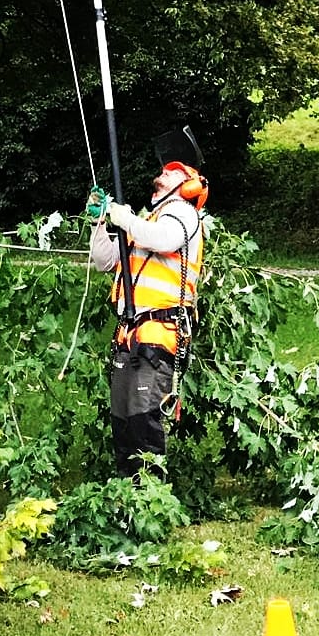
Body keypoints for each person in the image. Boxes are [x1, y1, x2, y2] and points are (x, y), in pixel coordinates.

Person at [89, 128, 208, 476]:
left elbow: (162, 238)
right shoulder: (144, 221)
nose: (160, 175)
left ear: (187, 184)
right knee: (123, 420)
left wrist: (121, 215)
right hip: (130, 334)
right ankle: (128, 496)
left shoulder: (184, 215)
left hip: (160, 332)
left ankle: (151, 497)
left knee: (145, 421)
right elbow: (103, 259)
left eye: (169, 172)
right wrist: (101, 218)